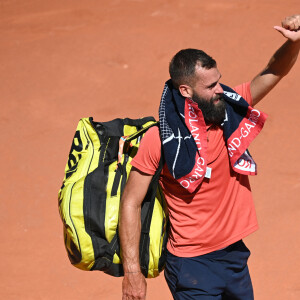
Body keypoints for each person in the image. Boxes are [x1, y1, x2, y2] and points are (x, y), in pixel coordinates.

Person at [119, 14, 300, 300]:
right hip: (192, 265)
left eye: (219, 81)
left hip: (234, 257)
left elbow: (274, 71)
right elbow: (130, 202)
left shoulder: (227, 107)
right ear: (186, 91)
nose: (220, 90)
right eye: (211, 86)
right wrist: (132, 273)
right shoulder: (160, 140)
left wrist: (294, 44)